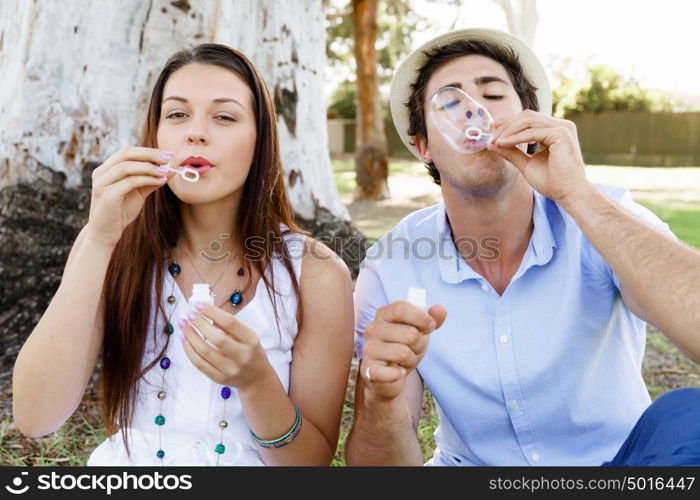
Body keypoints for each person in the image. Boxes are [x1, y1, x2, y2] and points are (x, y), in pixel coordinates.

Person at [345, 28, 700, 466]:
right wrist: (381, 396)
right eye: (449, 103)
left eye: (493, 95)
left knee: (690, 415)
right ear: (424, 147)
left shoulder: (603, 214)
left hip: (618, 467)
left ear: (529, 121)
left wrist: (578, 196)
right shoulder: (392, 267)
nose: (475, 114)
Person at [12, 44, 354, 466]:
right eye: (177, 115)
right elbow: (35, 417)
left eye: (224, 116)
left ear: (260, 141)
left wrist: (255, 382)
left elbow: (311, 466)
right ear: (156, 135)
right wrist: (98, 240)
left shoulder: (316, 274)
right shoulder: (110, 248)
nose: (196, 132)